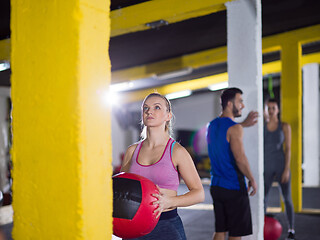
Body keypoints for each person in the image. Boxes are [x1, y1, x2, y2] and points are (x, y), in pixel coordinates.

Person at [121, 92, 205, 240]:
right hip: (133, 225)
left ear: (168, 116)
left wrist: (170, 201)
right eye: (145, 108)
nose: (149, 111)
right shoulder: (132, 151)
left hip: (165, 225)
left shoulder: (177, 152)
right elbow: (122, 190)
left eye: (157, 107)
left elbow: (199, 193)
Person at [206, 87, 257, 240]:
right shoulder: (234, 129)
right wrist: (252, 179)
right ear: (229, 103)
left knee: (220, 230)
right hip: (233, 187)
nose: (243, 105)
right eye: (240, 101)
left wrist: (243, 124)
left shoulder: (212, 125)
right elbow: (240, 158)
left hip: (216, 186)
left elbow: (226, 131)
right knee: (236, 233)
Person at [264, 98, 295, 239]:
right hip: (267, 167)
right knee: (263, 198)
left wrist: (286, 169)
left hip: (281, 164)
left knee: (287, 198)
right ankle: (262, 228)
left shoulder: (284, 126)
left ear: (278, 110)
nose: (271, 111)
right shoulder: (262, 127)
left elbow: (288, 149)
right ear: (266, 110)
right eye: (269, 108)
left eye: (273, 108)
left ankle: (291, 230)